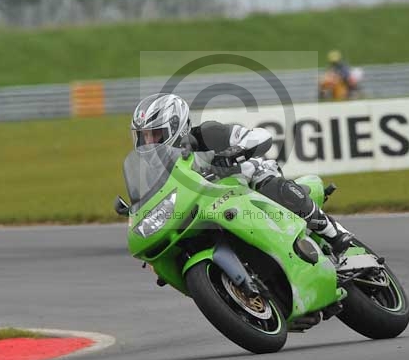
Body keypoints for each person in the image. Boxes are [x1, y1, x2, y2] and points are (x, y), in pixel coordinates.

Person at [130, 93, 354, 255]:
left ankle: (333, 234)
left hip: (246, 183)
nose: (148, 143)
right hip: (208, 210)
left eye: (155, 135)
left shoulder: (207, 134)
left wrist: (233, 153)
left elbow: (260, 135)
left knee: (267, 184)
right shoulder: (152, 171)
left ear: (176, 126)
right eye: (143, 137)